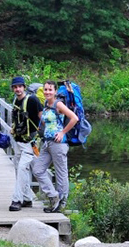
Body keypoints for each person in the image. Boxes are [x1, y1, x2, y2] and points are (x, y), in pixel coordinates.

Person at [32, 80, 79, 213]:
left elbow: (74, 118)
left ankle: (62, 204)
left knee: (61, 174)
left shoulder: (59, 104)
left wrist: (63, 132)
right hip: (46, 143)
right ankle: (54, 196)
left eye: (50, 90)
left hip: (59, 144)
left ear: (55, 92)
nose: (47, 92)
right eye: (45, 89)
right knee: (38, 170)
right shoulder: (47, 104)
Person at [9, 76, 43, 211]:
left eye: (19, 86)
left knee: (23, 168)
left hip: (30, 141)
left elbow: (42, 117)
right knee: (19, 169)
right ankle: (27, 198)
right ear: (13, 88)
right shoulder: (15, 101)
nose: (17, 89)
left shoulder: (32, 100)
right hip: (18, 141)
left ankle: (16, 200)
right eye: (15, 87)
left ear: (24, 87)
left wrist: (48, 134)